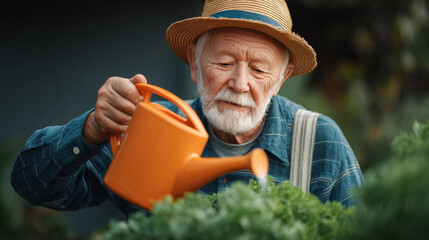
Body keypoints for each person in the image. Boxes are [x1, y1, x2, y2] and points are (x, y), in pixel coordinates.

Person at [10, 0, 363, 217]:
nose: (240, 84)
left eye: (258, 69)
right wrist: (91, 129)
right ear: (194, 61)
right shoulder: (152, 128)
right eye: (224, 63)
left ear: (282, 77)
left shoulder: (320, 143)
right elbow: (33, 187)